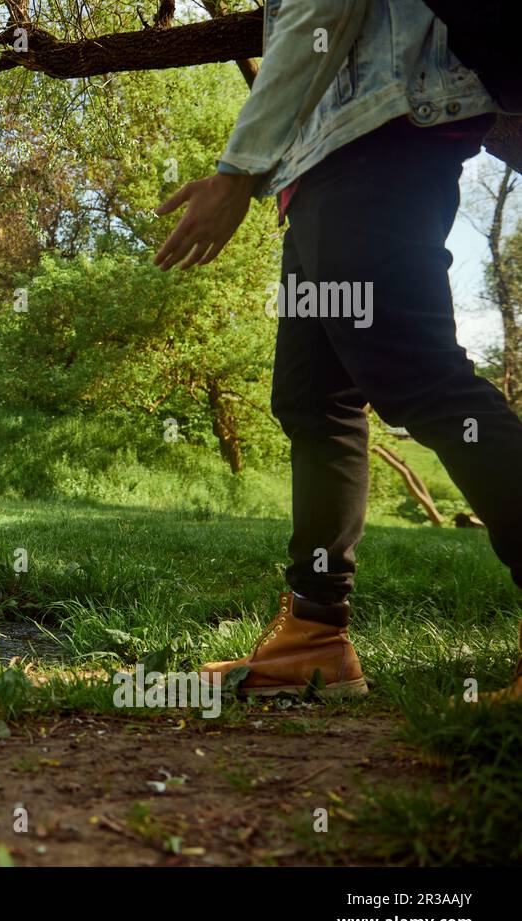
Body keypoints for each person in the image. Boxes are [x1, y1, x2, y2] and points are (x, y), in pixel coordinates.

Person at [154, 0, 520, 699]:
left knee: (421, 380)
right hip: (323, 163)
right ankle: (314, 635)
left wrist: (236, 172)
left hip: (380, 135)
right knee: (313, 400)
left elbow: (324, 9)